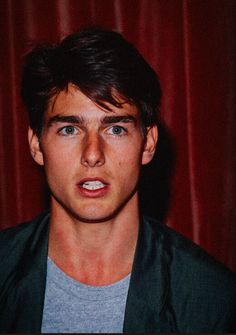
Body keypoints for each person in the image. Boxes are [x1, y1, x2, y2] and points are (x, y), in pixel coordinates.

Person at [0, 27, 236, 333]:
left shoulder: (213, 299)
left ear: (148, 143)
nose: (93, 154)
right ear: (36, 144)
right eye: (69, 129)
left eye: (116, 129)